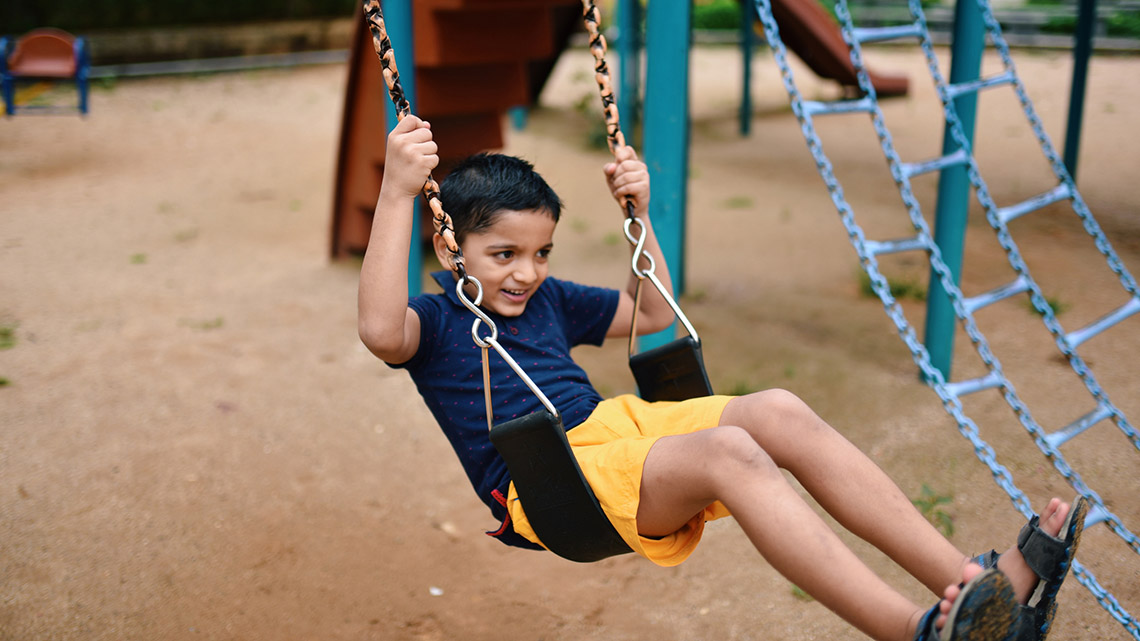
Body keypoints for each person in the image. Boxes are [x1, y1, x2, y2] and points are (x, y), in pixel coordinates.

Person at [357, 115, 1086, 641]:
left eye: (541, 251)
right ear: (451, 245)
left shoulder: (548, 297)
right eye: (503, 252)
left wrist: (636, 215)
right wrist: (397, 191)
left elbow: (649, 311)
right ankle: (915, 632)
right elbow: (381, 331)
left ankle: (981, 590)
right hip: (550, 481)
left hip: (620, 433)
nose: (527, 272)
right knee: (732, 454)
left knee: (778, 410)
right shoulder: (436, 322)